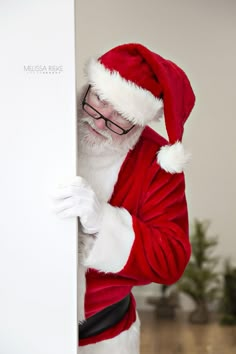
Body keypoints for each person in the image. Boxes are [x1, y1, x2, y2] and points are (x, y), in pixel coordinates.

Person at [52, 43, 195, 354]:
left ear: (140, 122)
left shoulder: (155, 162)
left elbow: (171, 259)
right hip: (22, 323)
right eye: (99, 99)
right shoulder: (39, 125)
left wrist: (103, 221)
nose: (101, 120)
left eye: (121, 117)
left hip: (106, 336)